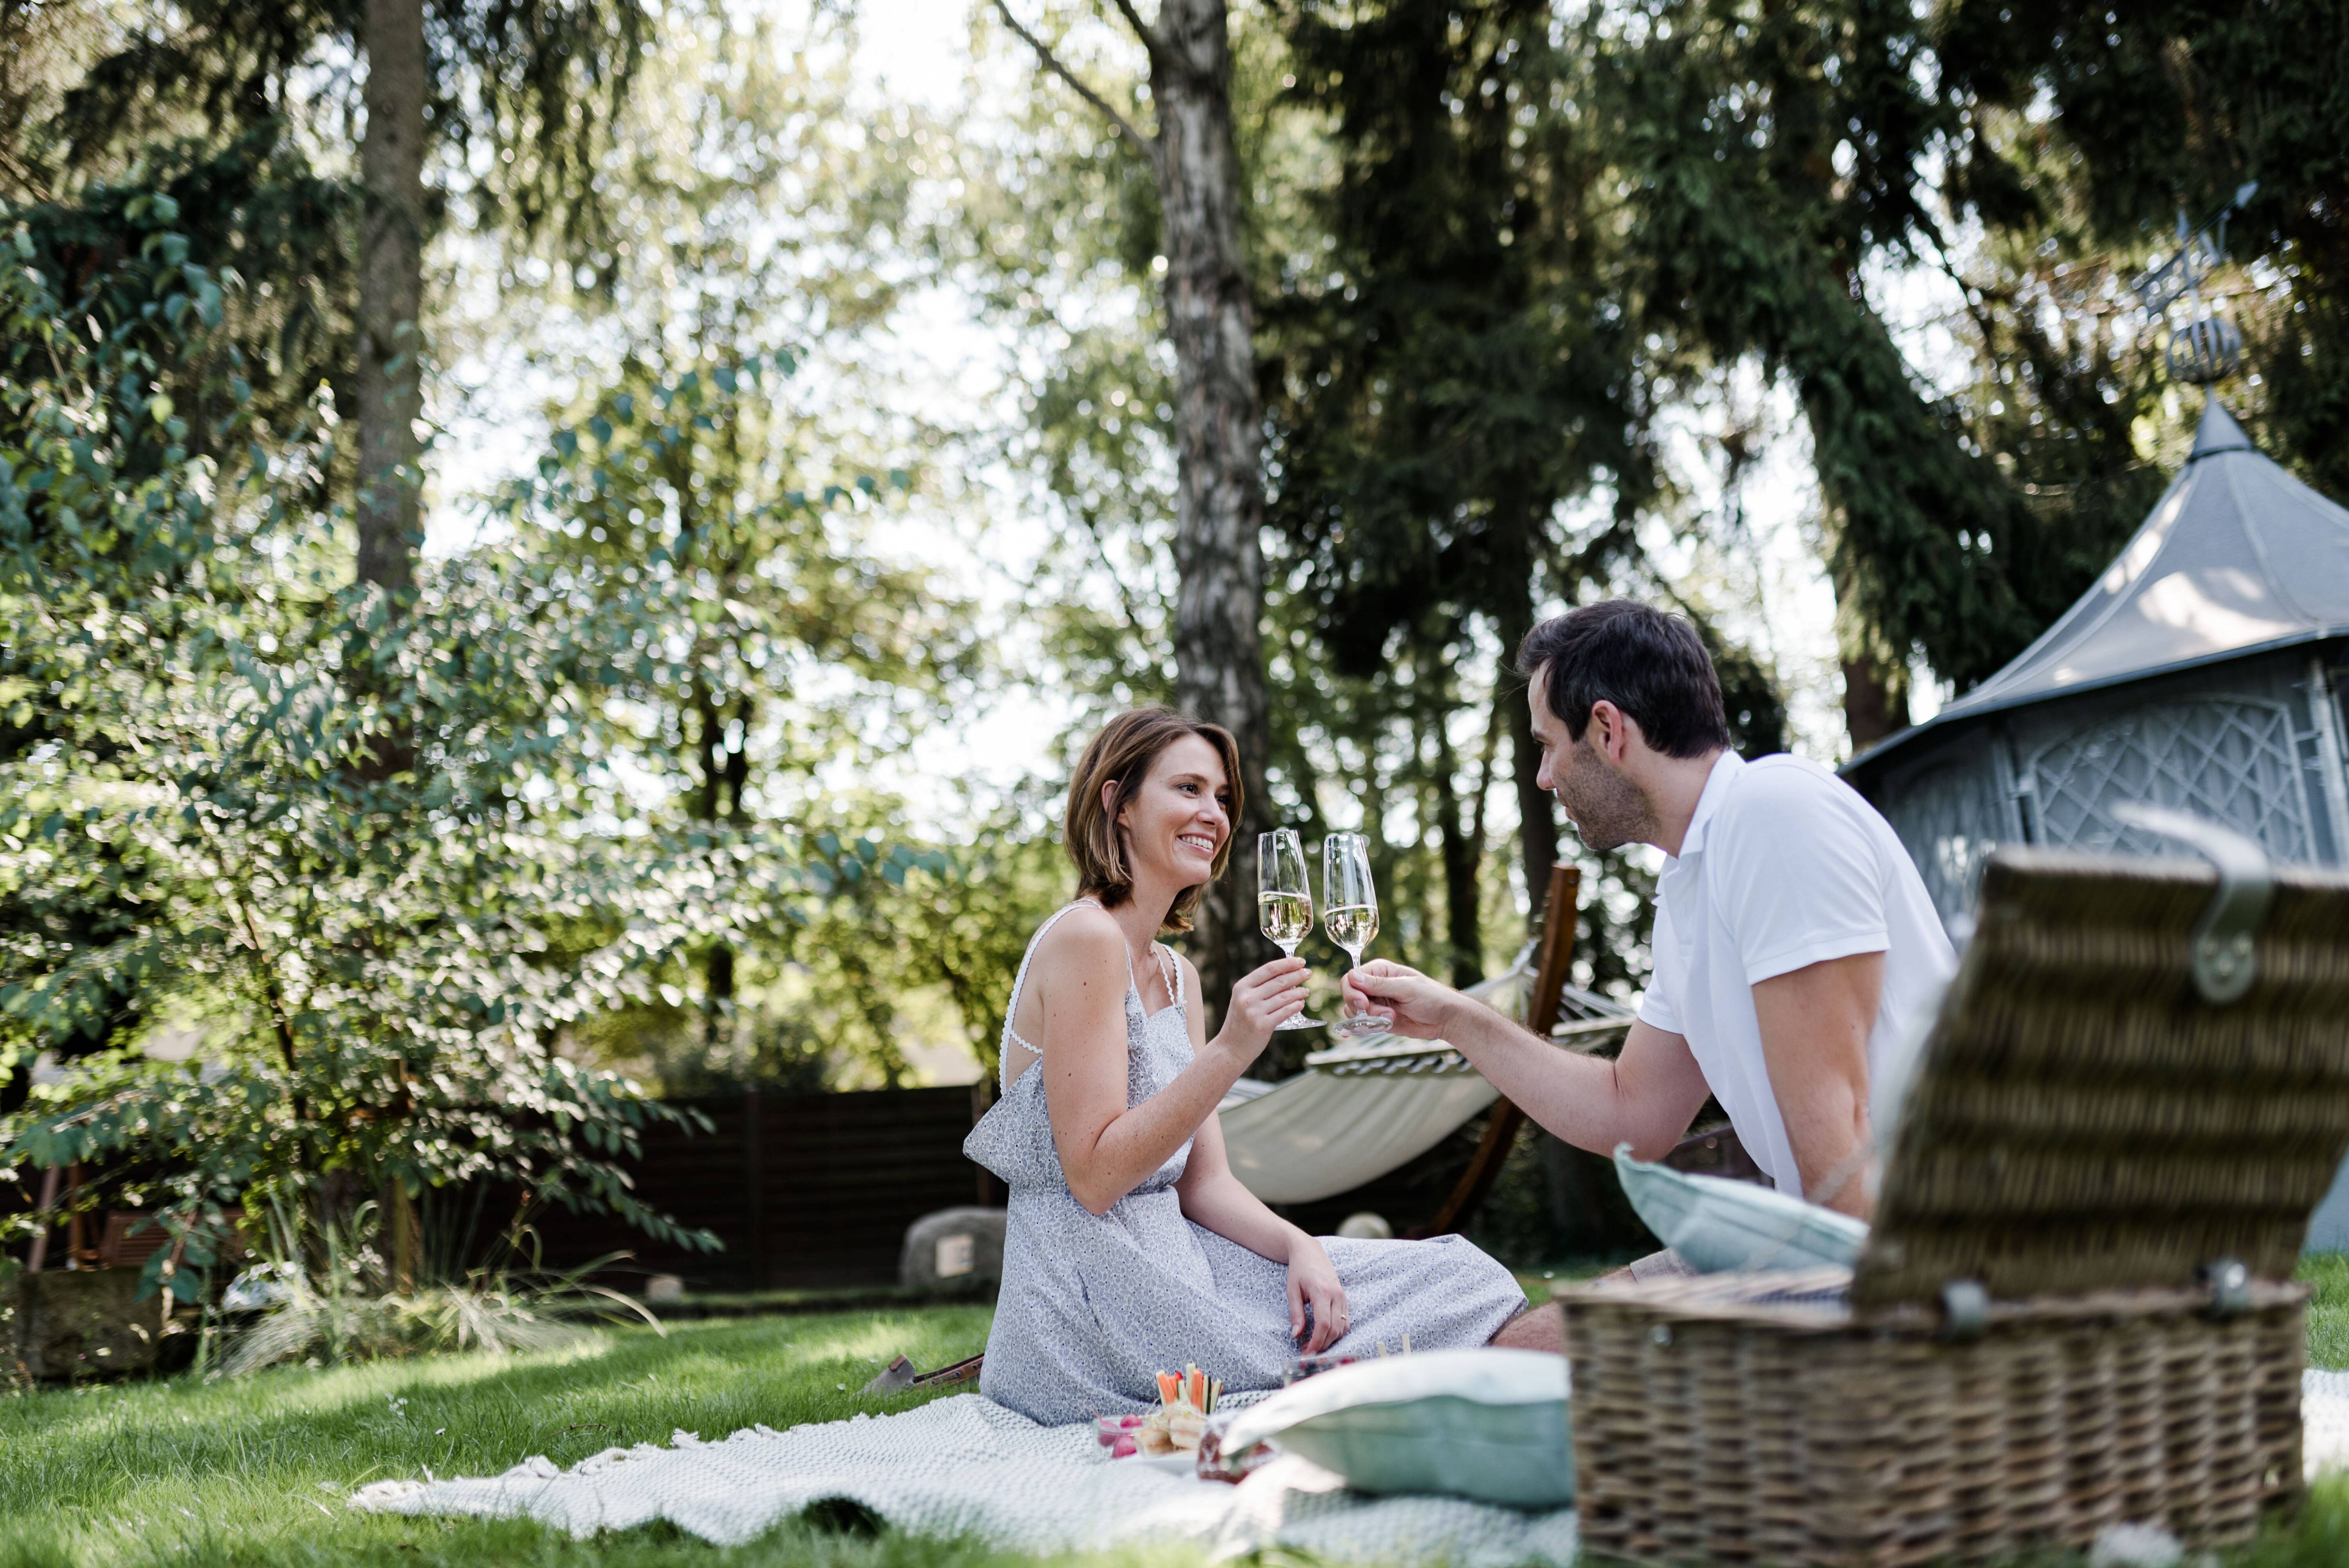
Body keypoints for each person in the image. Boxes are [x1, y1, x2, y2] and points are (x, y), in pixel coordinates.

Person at [967, 707, 1537, 1425]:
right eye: (1188, 789)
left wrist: (1302, 1247)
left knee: (1458, 1275)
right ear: (1118, 803)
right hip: (1089, 1303)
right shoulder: (1086, 938)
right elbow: (1096, 1177)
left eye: (1222, 797)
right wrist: (1232, 1050)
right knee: (1367, 1338)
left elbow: (1206, 1183)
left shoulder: (1176, 976)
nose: (1214, 813)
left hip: (1185, 1261)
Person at [1346, 600, 1956, 1225]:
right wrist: (1453, 1017)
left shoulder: (1771, 813)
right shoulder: (1692, 878)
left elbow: (1840, 1145)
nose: (1544, 778)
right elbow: (1632, 1114)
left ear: (1608, 730)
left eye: (1548, 746)